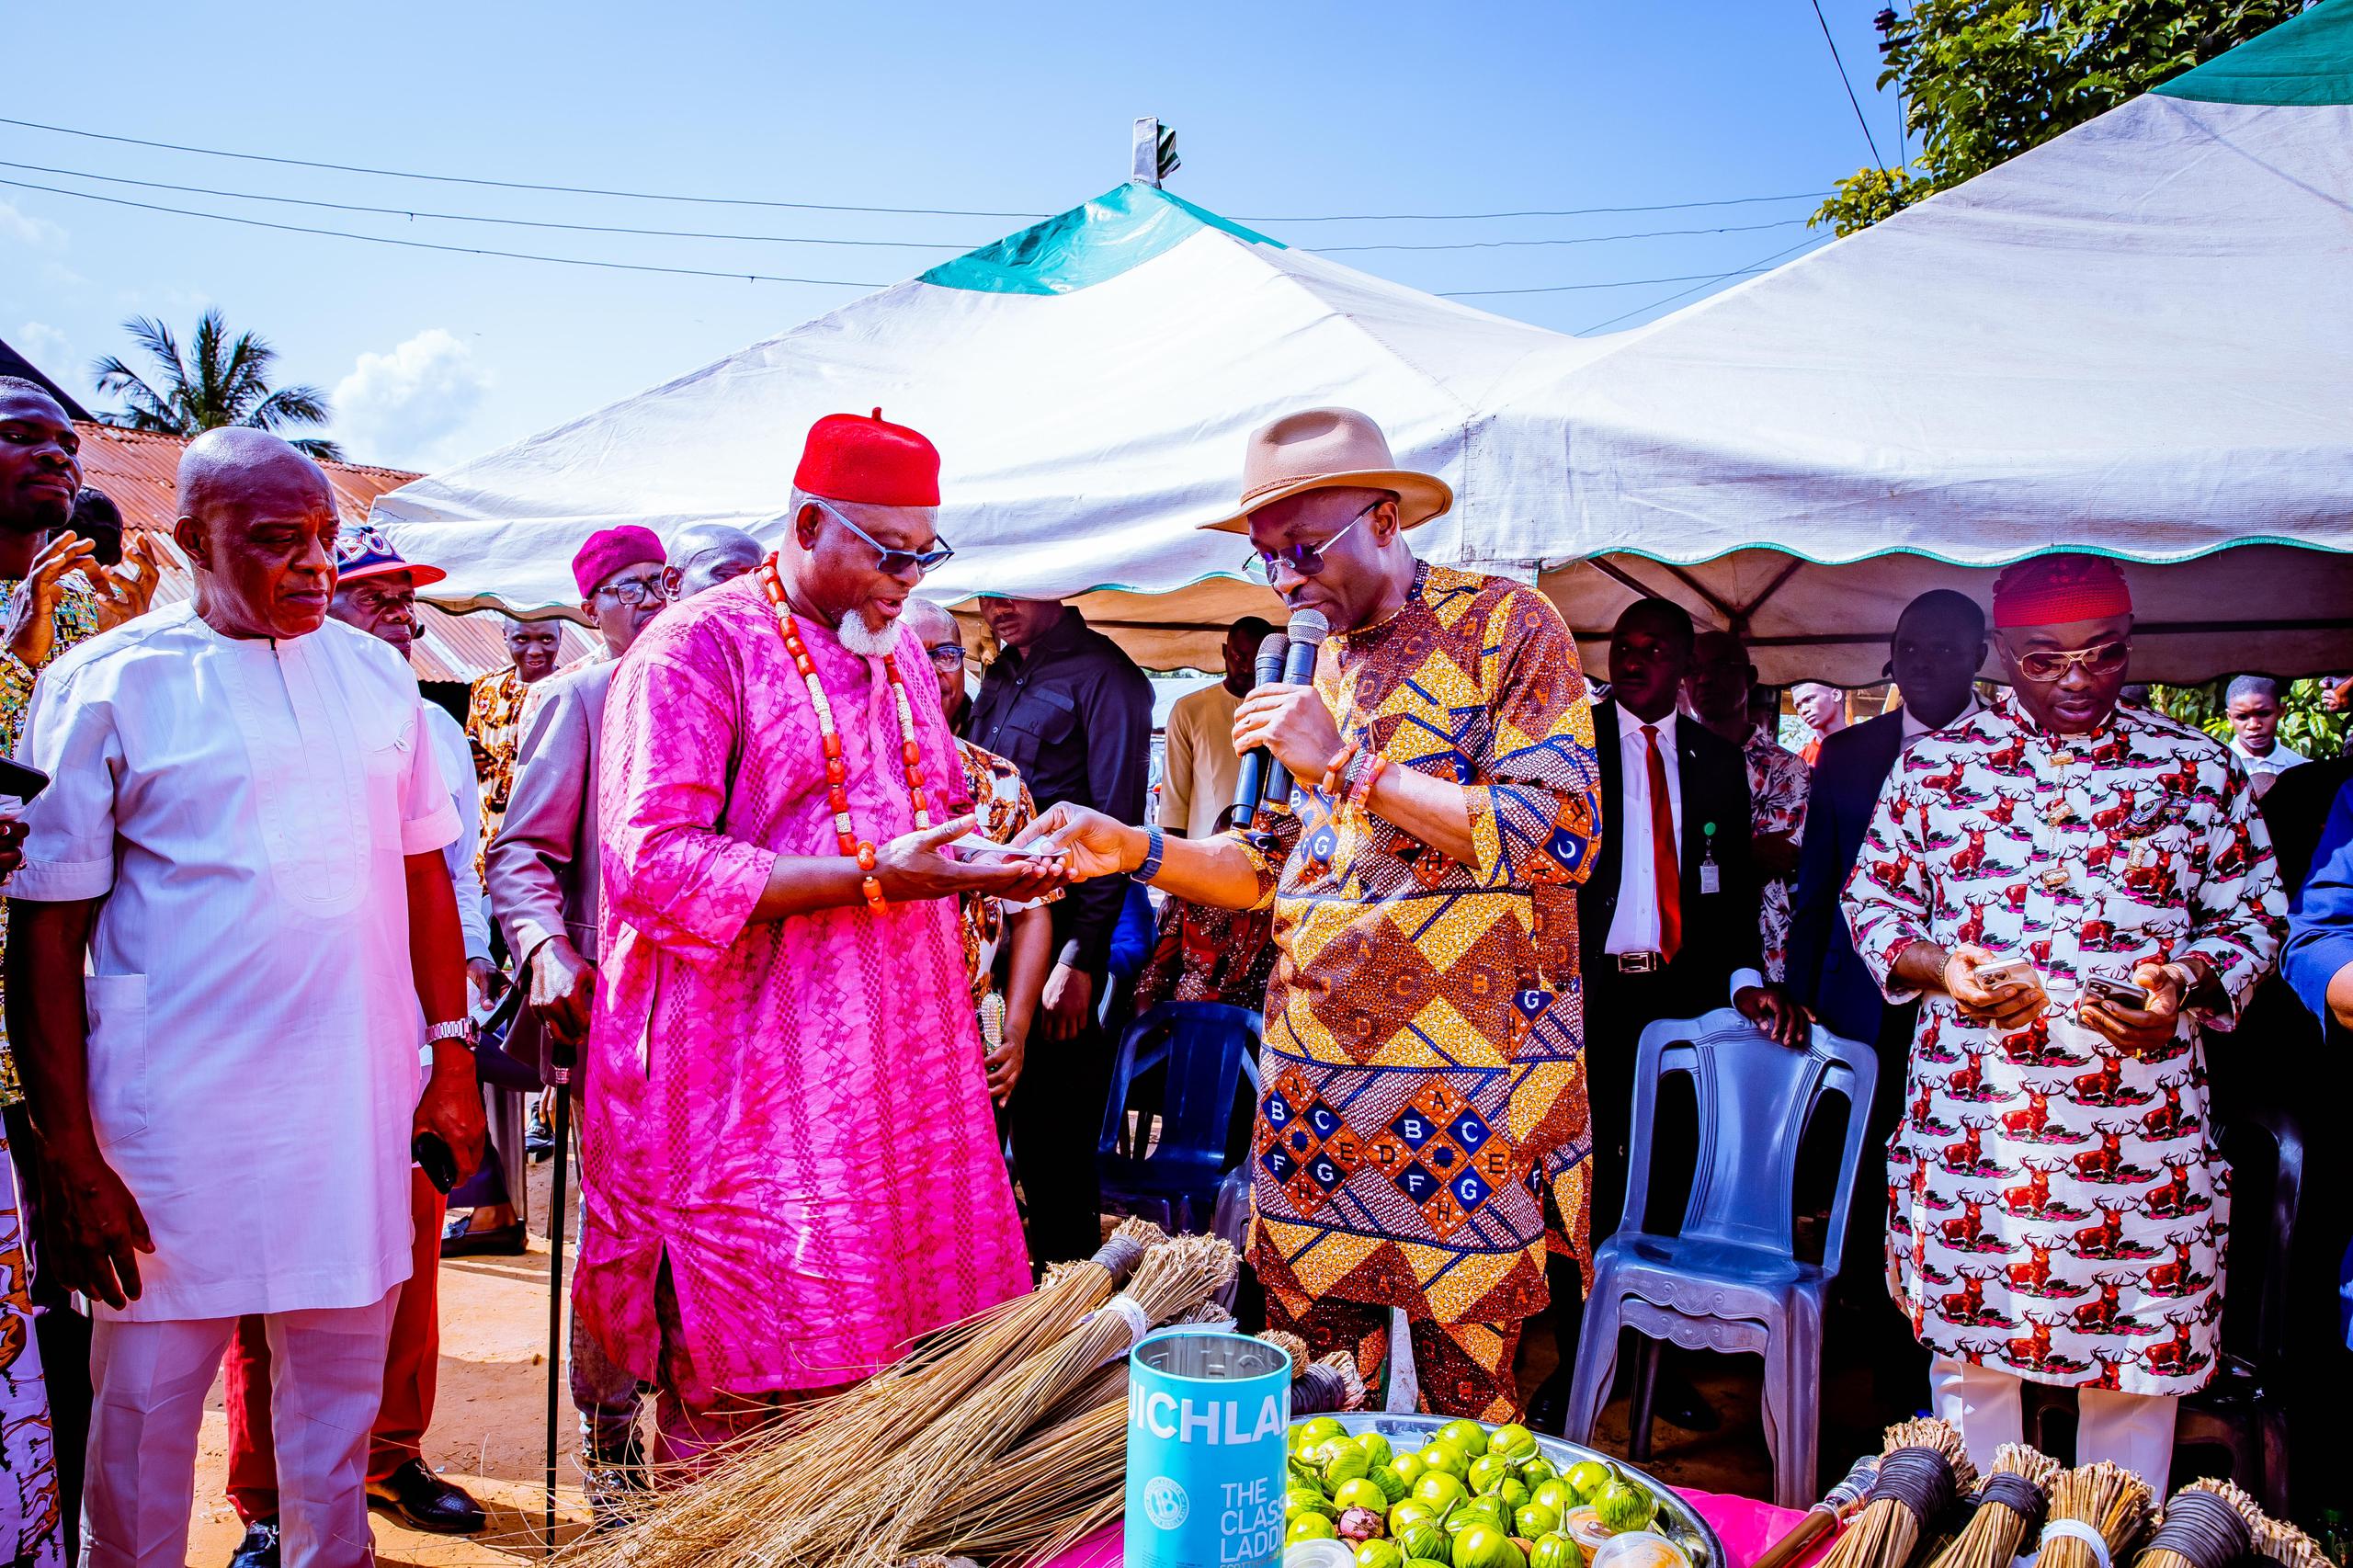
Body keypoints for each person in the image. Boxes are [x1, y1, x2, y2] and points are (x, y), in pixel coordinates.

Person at [1018, 406, 1602, 1420]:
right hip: (1316, 1082)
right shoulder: (1314, 661)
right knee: (1315, 1385)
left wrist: (1346, 761)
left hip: (1468, 1091)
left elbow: (1558, 830)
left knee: (1470, 1401)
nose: (1284, 579)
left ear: (1383, 517)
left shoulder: (1508, 625)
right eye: (1265, 558)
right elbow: (1267, 863)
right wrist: (1135, 846)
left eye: (1302, 549)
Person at [5, 428, 486, 1568]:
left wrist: (453, 1054)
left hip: (350, 1104)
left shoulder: (378, 675)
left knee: (335, 1409)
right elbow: (46, 921)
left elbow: (423, 869)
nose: (315, 565)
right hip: (169, 1127)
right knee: (140, 1428)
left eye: (323, 538)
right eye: (277, 541)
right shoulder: (106, 684)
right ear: (190, 542)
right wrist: (71, 1153)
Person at [579, 411, 1051, 1466]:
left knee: (888, 1379)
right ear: (805, 523)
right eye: (889, 553)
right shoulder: (693, 651)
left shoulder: (894, 657)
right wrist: (878, 876)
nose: (908, 580)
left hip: (897, 1090)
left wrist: (997, 866)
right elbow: (648, 864)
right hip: (748, 1093)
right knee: (751, 1389)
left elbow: (921, 824)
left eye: (926, 554)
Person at [1840, 552, 2285, 1486]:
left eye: (2103, 654)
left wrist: (2189, 984)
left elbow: (2254, 918)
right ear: (2000, 651)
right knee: (1971, 1374)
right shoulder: (1934, 767)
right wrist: (1940, 966)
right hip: (1978, 1148)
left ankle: (2106, 1540)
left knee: (2133, 1386)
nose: (2077, 679)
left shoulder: (2193, 768)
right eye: (2044, 660)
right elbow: (1874, 903)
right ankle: (1982, 1540)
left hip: (2141, 1147)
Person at [210, 527, 498, 1559]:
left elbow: (453, 873)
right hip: (280, 1041)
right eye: (373, 594)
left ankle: (391, 1450)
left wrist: (460, 1006)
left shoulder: (428, 723)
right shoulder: (249, 715)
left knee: (406, 1259)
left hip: (415, 1034)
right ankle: (265, 1498)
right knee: (269, 1273)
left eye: (403, 596)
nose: (398, 612)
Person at [486, 521, 758, 1504]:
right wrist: (549, 952)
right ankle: (610, 1441)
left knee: (730, 1242)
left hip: (743, 1030)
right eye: (634, 586)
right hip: (624, 1025)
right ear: (596, 605)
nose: (653, 601)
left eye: (665, 583)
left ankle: (715, 1449)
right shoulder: (582, 697)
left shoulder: (750, 689)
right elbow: (519, 857)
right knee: (624, 1246)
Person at [1532, 598, 1803, 1435]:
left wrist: (1748, 980)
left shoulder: (1714, 760)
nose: (1634, 659)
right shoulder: (1569, 740)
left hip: (1680, 999)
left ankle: (1656, 1366)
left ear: (1685, 665)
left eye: (1655, 649)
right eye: (1625, 644)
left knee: (1672, 1177)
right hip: (1587, 993)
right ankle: (1582, 1361)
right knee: (1584, 1186)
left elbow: (1724, 896)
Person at [2, 377, 154, 1558]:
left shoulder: (36, 646)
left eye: (63, 440)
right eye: (19, 437)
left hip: (29, 1065)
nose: (52, 458)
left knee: (49, 1344)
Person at [1782, 588, 1988, 1423]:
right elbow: (1818, 889)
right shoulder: (1851, 753)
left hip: (1975, 1021)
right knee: (1862, 1189)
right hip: (1862, 1009)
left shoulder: (2010, 752)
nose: (1922, 663)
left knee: (1955, 1194)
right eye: (1909, 647)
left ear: (1980, 655)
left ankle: (1951, 1388)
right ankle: (1877, 1400)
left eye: (1943, 649)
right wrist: (1798, 995)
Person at [967, 587, 1154, 1266]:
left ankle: (1069, 1313)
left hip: (1065, 937)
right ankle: (1000, 1310)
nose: (995, 610)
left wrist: (1080, 957)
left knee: (1054, 1143)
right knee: (983, 1139)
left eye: (1012, 594)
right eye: (987, 597)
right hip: (991, 940)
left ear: (1057, 584)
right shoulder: (1000, 673)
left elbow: (1118, 828)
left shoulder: (1109, 678)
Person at [902, 597, 1051, 1107]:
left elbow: (1031, 913)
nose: (930, 670)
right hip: (865, 1034)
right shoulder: (845, 775)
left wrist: (1015, 1030)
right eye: (908, 652)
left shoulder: (1000, 780)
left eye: (945, 653)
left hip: (973, 1036)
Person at [1686, 629, 1809, 982]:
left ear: (1750, 678)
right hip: (1683, 950)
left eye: (1721, 666)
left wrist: (1696, 851)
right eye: (1693, 669)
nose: (1705, 679)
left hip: (1764, 947)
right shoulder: (1668, 757)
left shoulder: (1785, 766)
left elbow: (1776, 857)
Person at [1162, 616, 1278, 841]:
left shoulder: (1288, 709)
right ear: (1225, 652)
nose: (1247, 667)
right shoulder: (1189, 709)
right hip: (1204, 853)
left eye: (1257, 659)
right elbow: (1173, 808)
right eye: (1239, 656)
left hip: (1274, 849)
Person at [466, 614, 565, 853]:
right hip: (483, 831)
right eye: (522, 639)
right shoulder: (485, 688)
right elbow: (471, 741)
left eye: (546, 639)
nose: (534, 650)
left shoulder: (569, 691)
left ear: (560, 637)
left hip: (538, 835)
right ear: (505, 635)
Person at [2223, 676, 2305, 784]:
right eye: (2242, 717)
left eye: (2263, 713)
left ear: (2281, 710)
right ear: (2230, 717)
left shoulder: (2301, 768)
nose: (2253, 725)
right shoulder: (2213, 767)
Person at [1792, 681, 1847, 765]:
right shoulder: (1801, 763)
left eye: (1810, 699)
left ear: (1836, 695)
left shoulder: (1867, 747)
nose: (1803, 710)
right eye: (1798, 706)